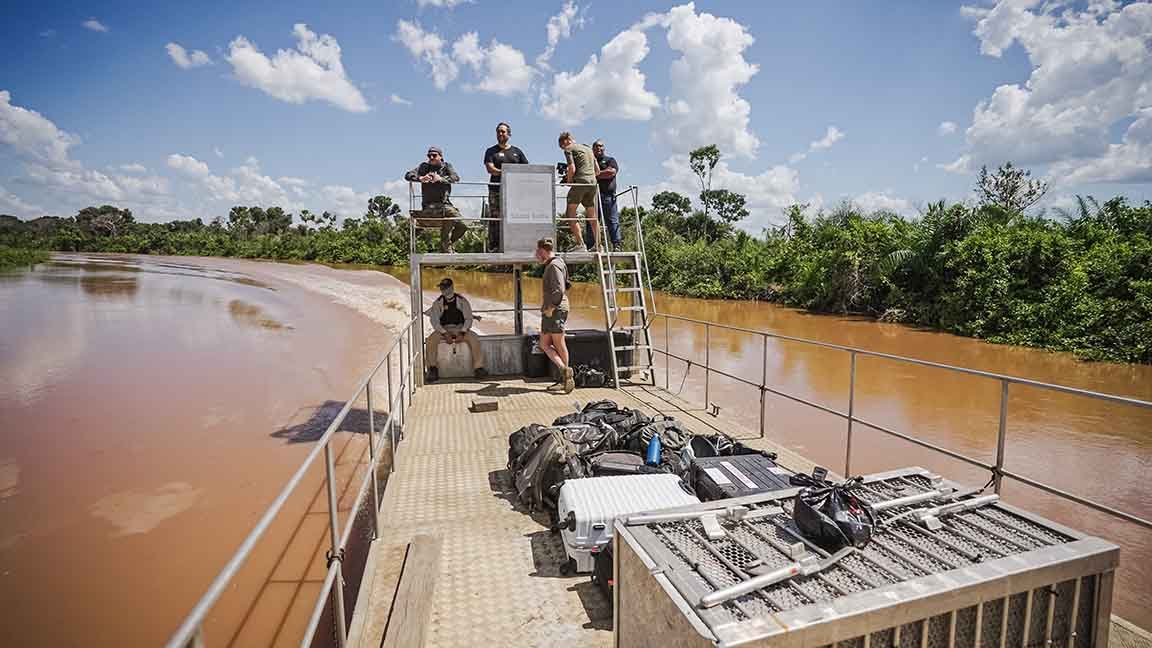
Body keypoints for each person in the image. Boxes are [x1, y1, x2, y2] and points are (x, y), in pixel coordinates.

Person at [405, 146, 467, 253]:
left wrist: (441, 179)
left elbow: (456, 178)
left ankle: (445, 245)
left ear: (441, 157)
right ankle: (445, 248)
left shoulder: (446, 166)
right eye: (429, 156)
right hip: (429, 205)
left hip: (445, 204)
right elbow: (408, 175)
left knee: (463, 225)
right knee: (449, 216)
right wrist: (420, 178)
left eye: (434, 155)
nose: (431, 158)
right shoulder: (424, 166)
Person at [424, 277, 487, 382]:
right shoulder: (438, 302)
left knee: (474, 338)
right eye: (441, 288)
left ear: (451, 288)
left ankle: (478, 368)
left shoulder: (462, 301)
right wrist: (444, 333)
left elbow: (468, 318)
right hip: (444, 329)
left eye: (445, 287)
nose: (442, 290)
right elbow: (434, 321)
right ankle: (432, 369)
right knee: (431, 340)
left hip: (460, 328)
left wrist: (462, 332)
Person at [535, 238, 574, 393]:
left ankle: (565, 376)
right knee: (544, 344)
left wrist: (551, 307)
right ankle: (564, 373)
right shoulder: (557, 263)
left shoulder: (554, 265)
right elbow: (567, 284)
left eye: (537, 252)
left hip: (555, 309)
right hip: (551, 309)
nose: (536, 255)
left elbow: (559, 289)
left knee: (558, 343)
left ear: (543, 250)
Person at [483, 122, 529, 252]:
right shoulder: (491, 151)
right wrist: (507, 172)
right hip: (496, 190)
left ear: (509, 134)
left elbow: (526, 168)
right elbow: (490, 169)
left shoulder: (517, 151)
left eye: (503, 131)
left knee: (515, 216)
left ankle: (515, 244)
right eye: (498, 131)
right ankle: (494, 246)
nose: (500, 134)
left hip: (515, 191)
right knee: (495, 217)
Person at [557, 132, 601, 253]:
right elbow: (597, 171)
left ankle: (580, 244)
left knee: (570, 213)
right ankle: (599, 245)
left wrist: (569, 181)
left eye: (561, 146)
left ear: (565, 141)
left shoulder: (569, 149)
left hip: (580, 183)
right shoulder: (588, 148)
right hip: (592, 183)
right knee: (592, 215)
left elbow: (572, 168)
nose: (563, 148)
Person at [590, 140, 621, 252]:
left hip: (607, 196)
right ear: (592, 149)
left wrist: (594, 175)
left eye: (601, 146)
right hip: (592, 197)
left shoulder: (610, 160)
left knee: (612, 221)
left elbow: (611, 172)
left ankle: (616, 245)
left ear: (604, 148)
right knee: (591, 221)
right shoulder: (589, 162)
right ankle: (592, 245)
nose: (599, 148)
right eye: (596, 146)